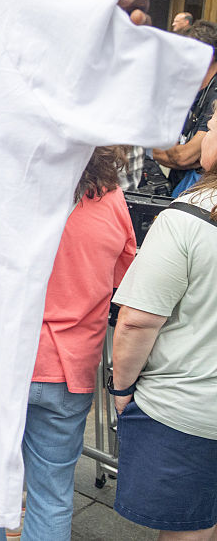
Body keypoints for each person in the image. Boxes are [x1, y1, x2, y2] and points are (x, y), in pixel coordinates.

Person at [0, 146, 136, 540]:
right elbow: (124, 277)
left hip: (0, 361)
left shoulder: (4, 192)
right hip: (69, 369)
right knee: (51, 495)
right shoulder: (110, 199)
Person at [110, 103, 217, 541]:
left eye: (211, 124)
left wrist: (121, 388)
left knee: (189, 530)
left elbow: (136, 321)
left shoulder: (187, 220)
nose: (205, 129)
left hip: (188, 410)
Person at [153, 21, 217, 194]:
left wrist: (175, 152)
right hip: (176, 184)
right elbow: (156, 150)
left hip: (199, 193)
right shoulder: (186, 86)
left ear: (208, 55)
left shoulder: (215, 92)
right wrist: (181, 155)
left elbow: (184, 156)